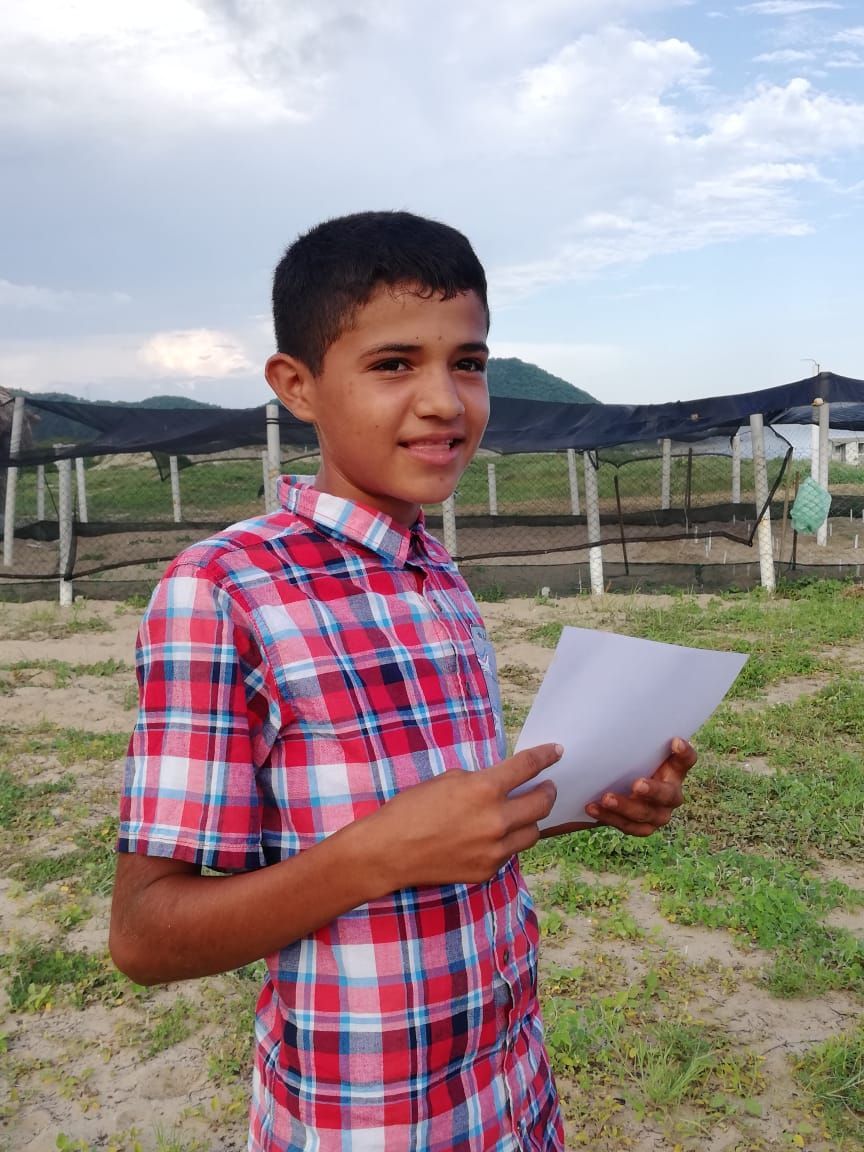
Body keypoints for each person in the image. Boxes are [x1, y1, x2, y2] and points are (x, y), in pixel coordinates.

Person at [110, 210, 696, 1152]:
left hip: (511, 1094)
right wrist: (374, 855)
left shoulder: (435, 574)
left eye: (468, 362)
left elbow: (443, 839)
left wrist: (587, 800)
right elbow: (144, 935)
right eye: (393, 365)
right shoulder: (221, 591)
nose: (444, 401)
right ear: (296, 386)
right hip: (363, 1121)